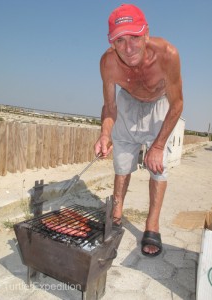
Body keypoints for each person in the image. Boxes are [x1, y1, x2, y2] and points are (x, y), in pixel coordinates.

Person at [94, 3, 183, 257]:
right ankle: (117, 212)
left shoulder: (168, 54)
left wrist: (156, 146)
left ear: (146, 34)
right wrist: (104, 134)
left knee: (159, 165)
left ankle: (152, 225)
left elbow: (177, 103)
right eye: (120, 41)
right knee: (121, 164)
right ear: (112, 44)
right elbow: (110, 107)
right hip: (128, 102)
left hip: (160, 104)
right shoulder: (108, 63)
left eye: (134, 37)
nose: (129, 47)